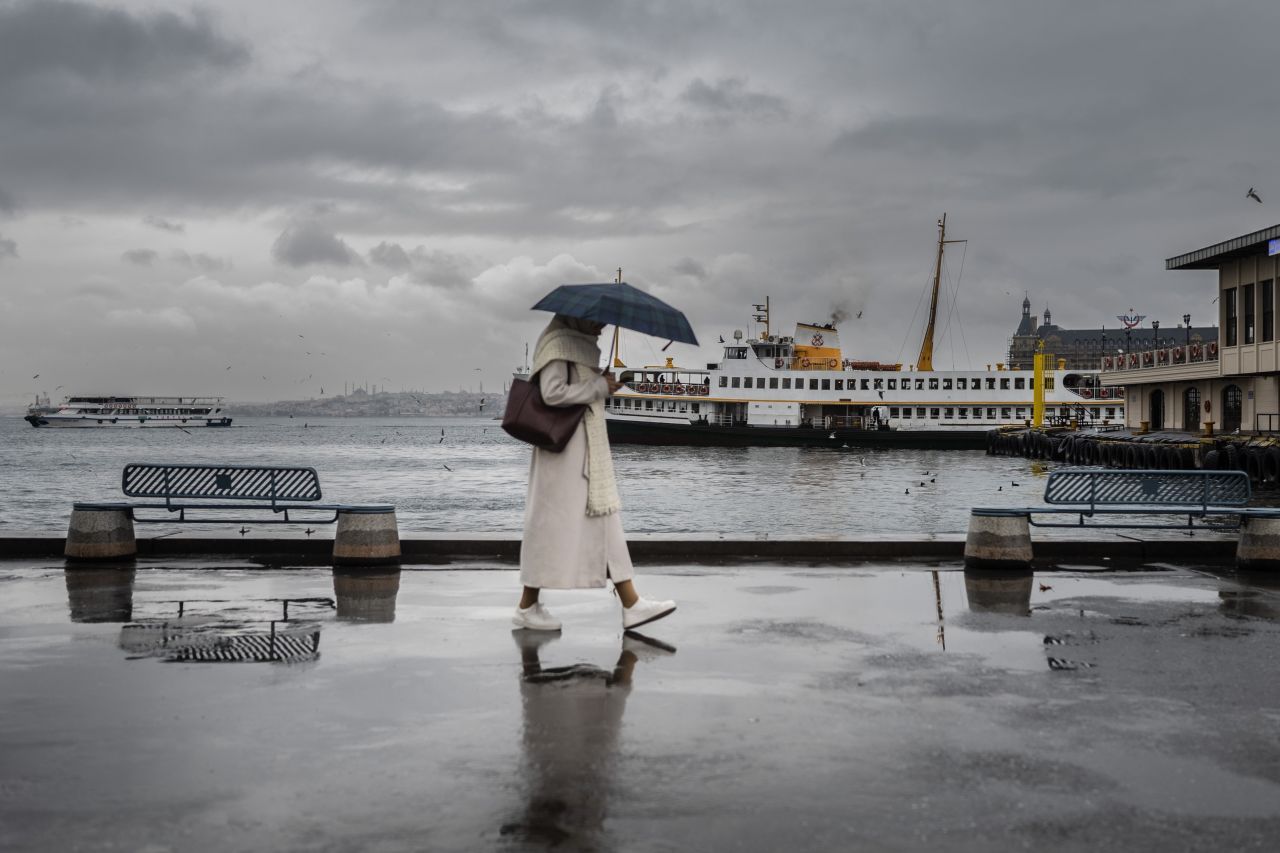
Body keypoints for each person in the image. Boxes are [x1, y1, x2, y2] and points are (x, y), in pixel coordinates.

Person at [514, 314, 676, 632]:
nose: (602, 326)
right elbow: (552, 393)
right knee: (551, 526)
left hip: (582, 451)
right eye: (598, 320)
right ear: (578, 317)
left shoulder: (576, 344)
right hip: (565, 454)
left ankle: (630, 603)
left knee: (604, 518)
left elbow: (576, 389)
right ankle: (527, 606)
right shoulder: (559, 345)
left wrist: (601, 383)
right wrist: (599, 386)